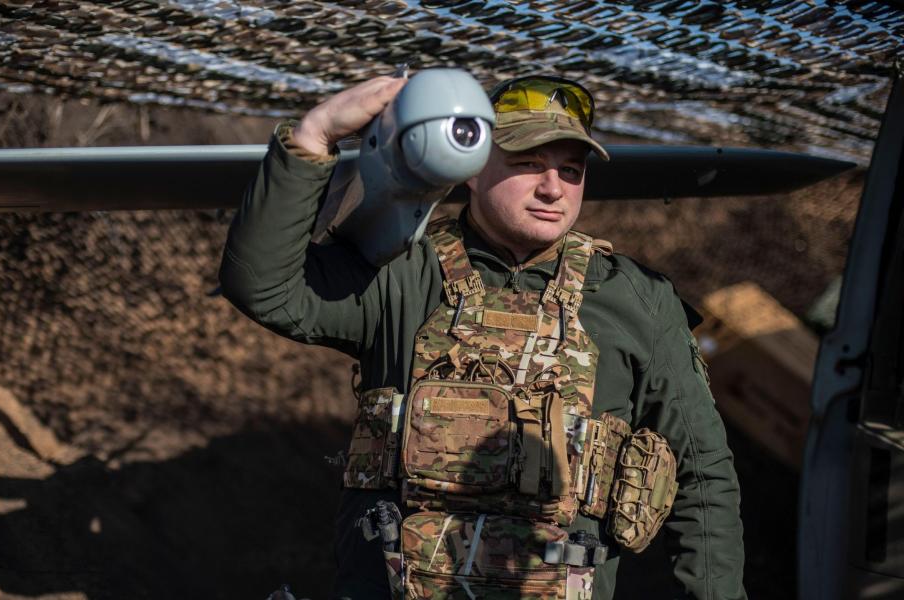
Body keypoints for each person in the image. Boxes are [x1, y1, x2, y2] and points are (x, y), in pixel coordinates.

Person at [219, 72, 746, 600]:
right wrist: (314, 136)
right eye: (527, 164)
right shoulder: (401, 270)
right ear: (472, 170)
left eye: (570, 169)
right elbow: (264, 286)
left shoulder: (637, 299)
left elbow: (702, 478)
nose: (552, 188)